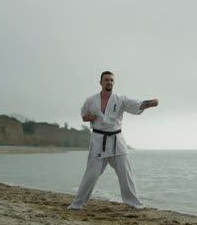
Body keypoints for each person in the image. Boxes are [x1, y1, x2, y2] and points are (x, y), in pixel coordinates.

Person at [68, 71, 159, 210]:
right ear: (100, 82)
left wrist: (149, 103)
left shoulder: (120, 99)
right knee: (91, 174)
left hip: (117, 140)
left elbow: (137, 104)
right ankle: (78, 204)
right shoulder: (91, 100)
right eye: (106, 80)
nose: (109, 82)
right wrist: (89, 117)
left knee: (126, 173)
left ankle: (134, 204)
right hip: (99, 140)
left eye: (111, 80)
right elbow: (83, 115)